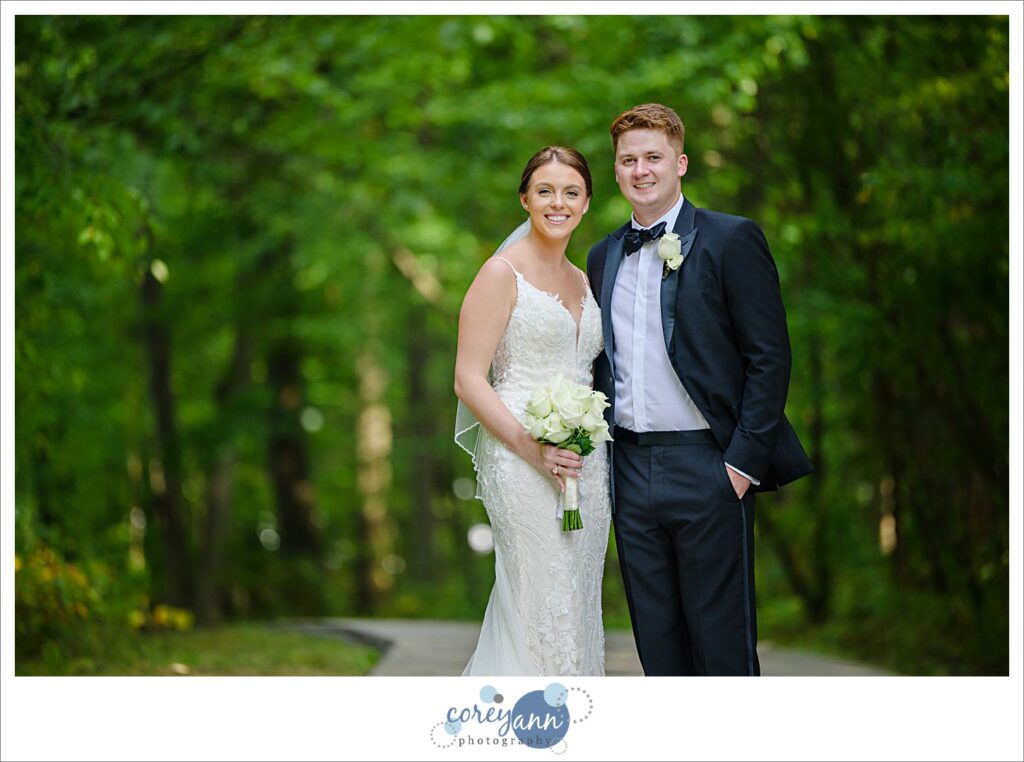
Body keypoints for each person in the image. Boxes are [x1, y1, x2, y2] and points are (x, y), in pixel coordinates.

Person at [586, 104, 813, 676]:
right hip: (630, 469)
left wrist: (742, 462)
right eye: (628, 159)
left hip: (710, 464)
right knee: (657, 646)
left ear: (680, 163)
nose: (641, 170)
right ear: (616, 171)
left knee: (722, 648)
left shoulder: (730, 239)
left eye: (653, 157)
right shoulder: (601, 255)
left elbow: (769, 356)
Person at [454, 146, 611, 676]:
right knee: (535, 601)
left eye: (571, 192)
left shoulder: (585, 282)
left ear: (587, 203)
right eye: (545, 191)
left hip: (585, 466)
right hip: (520, 460)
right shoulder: (501, 274)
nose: (558, 203)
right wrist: (532, 446)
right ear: (525, 199)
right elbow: (468, 378)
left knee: (579, 601)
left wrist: (576, 441)